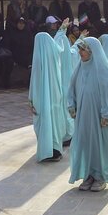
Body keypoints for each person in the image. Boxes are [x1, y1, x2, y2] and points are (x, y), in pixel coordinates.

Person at [67, 37, 108, 192]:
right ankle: (88, 175)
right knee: (85, 143)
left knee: (98, 145)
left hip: (99, 117)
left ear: (92, 51)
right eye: (80, 49)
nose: (80, 52)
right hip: (83, 115)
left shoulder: (102, 69)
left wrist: (106, 113)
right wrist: (71, 105)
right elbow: (71, 88)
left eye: (83, 49)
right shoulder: (79, 68)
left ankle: (99, 176)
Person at [29, 32, 69, 163]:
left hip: (41, 100)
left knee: (45, 123)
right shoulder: (53, 56)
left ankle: (47, 151)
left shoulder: (37, 59)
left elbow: (34, 82)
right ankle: (55, 150)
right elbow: (58, 47)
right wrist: (62, 31)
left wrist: (31, 100)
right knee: (55, 122)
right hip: (55, 97)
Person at [1, 17, 35, 86]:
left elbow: (31, 45)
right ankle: (6, 83)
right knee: (8, 62)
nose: (21, 25)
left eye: (23, 23)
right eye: (19, 23)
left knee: (33, 63)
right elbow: (8, 45)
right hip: (14, 55)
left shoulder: (27, 33)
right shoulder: (12, 33)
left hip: (26, 56)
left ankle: (30, 83)